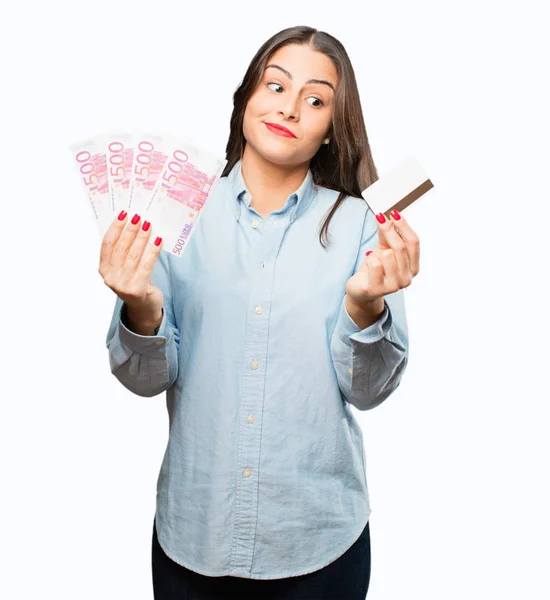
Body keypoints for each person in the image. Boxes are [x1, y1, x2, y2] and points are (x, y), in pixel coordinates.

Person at [101, 25, 420, 600]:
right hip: (192, 536)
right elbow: (143, 379)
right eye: (276, 86)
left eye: (316, 99)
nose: (290, 108)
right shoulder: (176, 213)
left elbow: (369, 392)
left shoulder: (363, 226)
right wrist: (141, 310)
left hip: (321, 542)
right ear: (246, 97)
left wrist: (364, 305)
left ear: (330, 131)